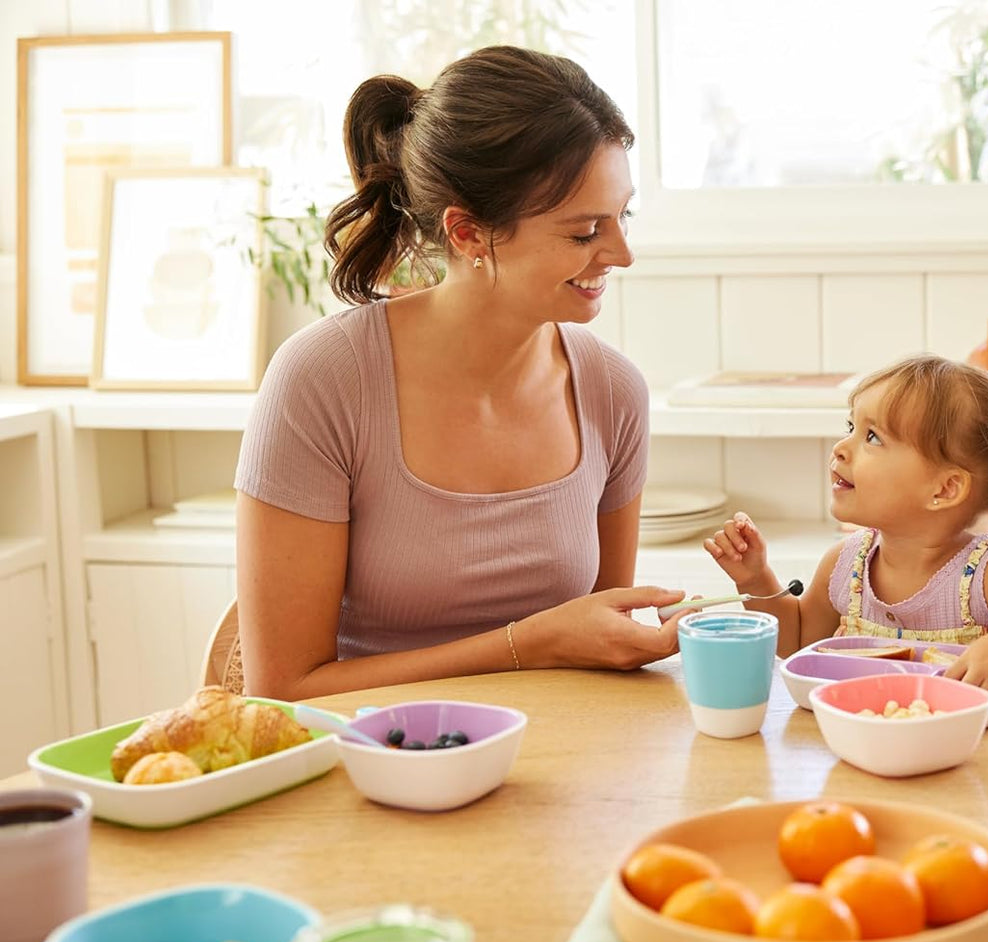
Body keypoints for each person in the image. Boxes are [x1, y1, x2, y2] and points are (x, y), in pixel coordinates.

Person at [235, 46, 692, 700]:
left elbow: (599, 638)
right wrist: (526, 645)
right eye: (584, 231)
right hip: (374, 767)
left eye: (623, 216)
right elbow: (284, 688)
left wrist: (659, 635)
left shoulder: (612, 391)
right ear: (469, 233)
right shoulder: (326, 381)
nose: (621, 254)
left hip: (564, 767)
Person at [704, 355, 988, 690]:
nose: (841, 449)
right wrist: (755, 580)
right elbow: (799, 641)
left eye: (873, 437)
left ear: (945, 489)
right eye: (851, 428)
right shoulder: (845, 566)